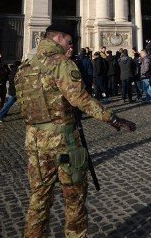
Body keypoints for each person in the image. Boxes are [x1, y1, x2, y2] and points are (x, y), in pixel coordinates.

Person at [15, 24, 135, 238]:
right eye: (69, 42)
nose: (71, 47)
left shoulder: (24, 67)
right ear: (59, 38)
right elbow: (80, 99)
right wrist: (113, 118)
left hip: (34, 142)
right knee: (74, 200)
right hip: (63, 141)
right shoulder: (61, 64)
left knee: (38, 200)